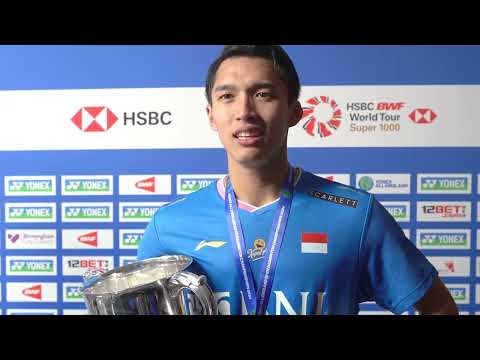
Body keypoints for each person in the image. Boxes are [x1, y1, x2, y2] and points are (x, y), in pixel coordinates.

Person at [138, 45, 458, 315]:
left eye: (263, 94)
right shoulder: (168, 226)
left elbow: (439, 308)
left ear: (294, 112)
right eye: (227, 96)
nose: (245, 110)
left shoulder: (355, 215)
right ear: (211, 115)